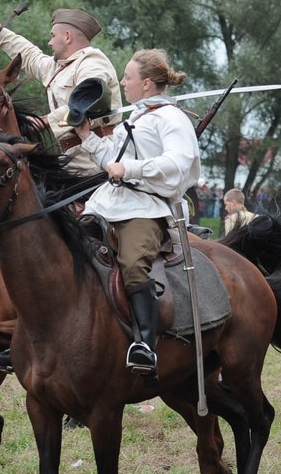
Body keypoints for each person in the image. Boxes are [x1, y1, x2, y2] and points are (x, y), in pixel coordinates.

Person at [73, 49, 200, 375]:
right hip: (106, 203)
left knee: (132, 264)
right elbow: (113, 160)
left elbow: (179, 163)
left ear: (145, 83)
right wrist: (88, 138)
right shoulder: (137, 117)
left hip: (145, 207)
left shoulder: (171, 118)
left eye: (127, 77)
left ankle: (145, 344)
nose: (121, 82)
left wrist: (129, 168)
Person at [0, 5, 122, 173]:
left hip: (99, 160)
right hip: (72, 159)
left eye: (53, 36)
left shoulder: (93, 62)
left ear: (67, 37)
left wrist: (42, 122)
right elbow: (29, 55)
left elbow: (86, 102)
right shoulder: (59, 66)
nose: (49, 42)